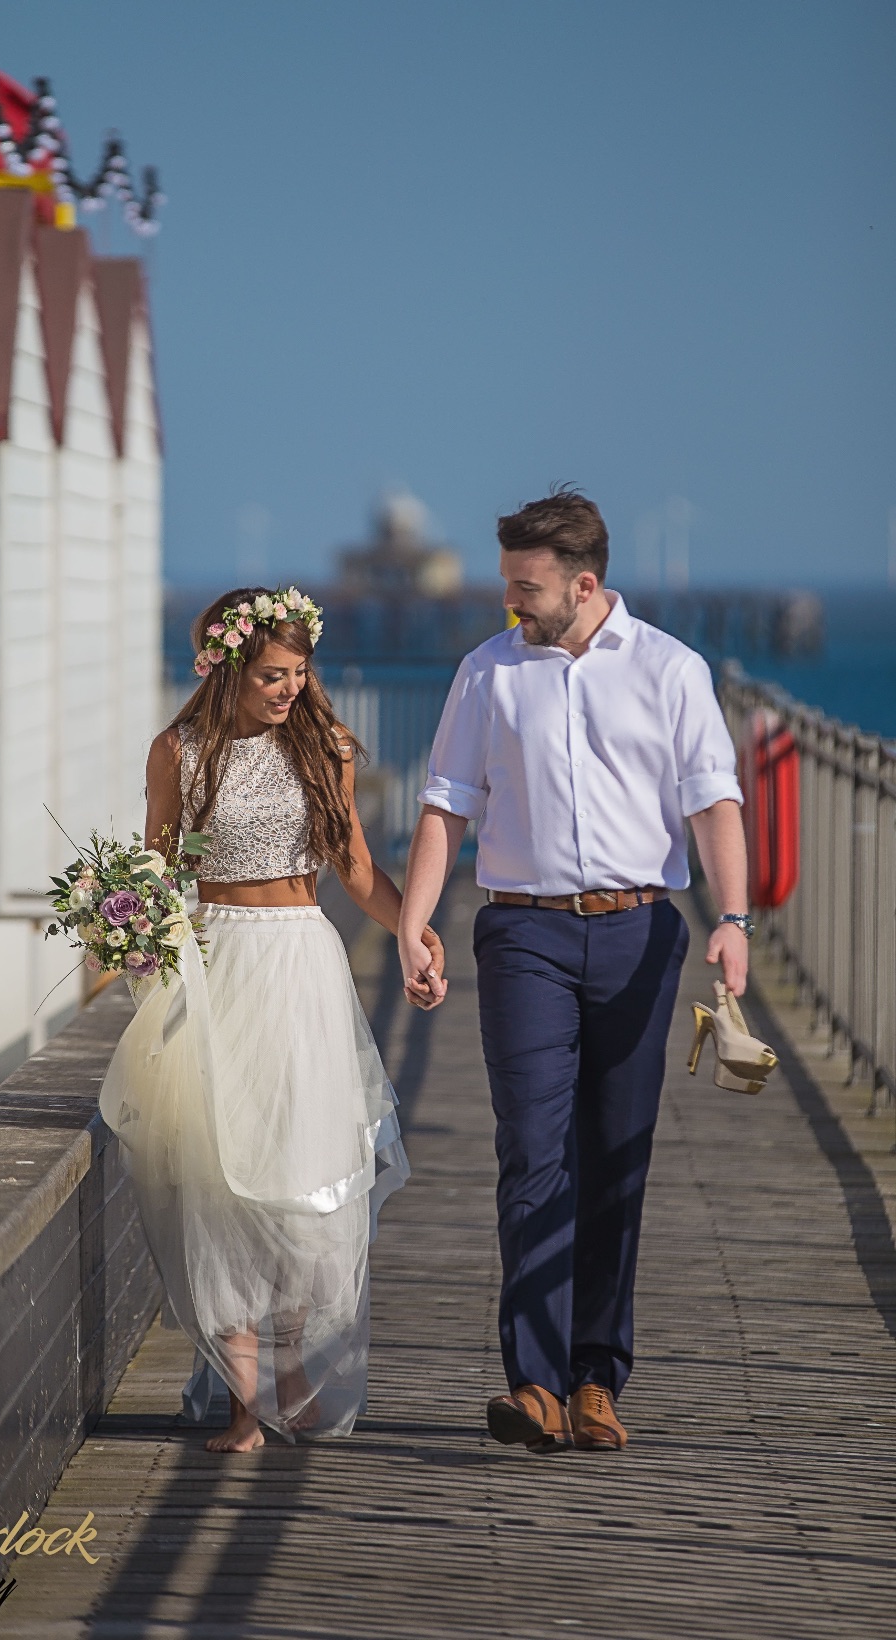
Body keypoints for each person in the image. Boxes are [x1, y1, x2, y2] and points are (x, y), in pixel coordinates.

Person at [397, 487, 751, 1453]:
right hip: (522, 937)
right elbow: (445, 805)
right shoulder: (487, 673)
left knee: (616, 1158)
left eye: (526, 586)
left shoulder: (674, 670)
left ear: (583, 582)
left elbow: (713, 803)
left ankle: (598, 1376)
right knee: (532, 1150)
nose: (510, 600)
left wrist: (732, 918)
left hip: (642, 935)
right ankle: (537, 1383)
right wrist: (412, 924)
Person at [99, 585, 444, 1452]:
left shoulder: (324, 747)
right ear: (225, 670)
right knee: (221, 1176)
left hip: (300, 964)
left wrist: (413, 936)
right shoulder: (178, 751)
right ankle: (242, 1407)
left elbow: (357, 863)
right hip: (216, 965)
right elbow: (156, 863)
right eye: (269, 676)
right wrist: (131, 928)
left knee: (301, 1175)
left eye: (297, 673)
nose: (288, 689)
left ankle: (293, 1374)